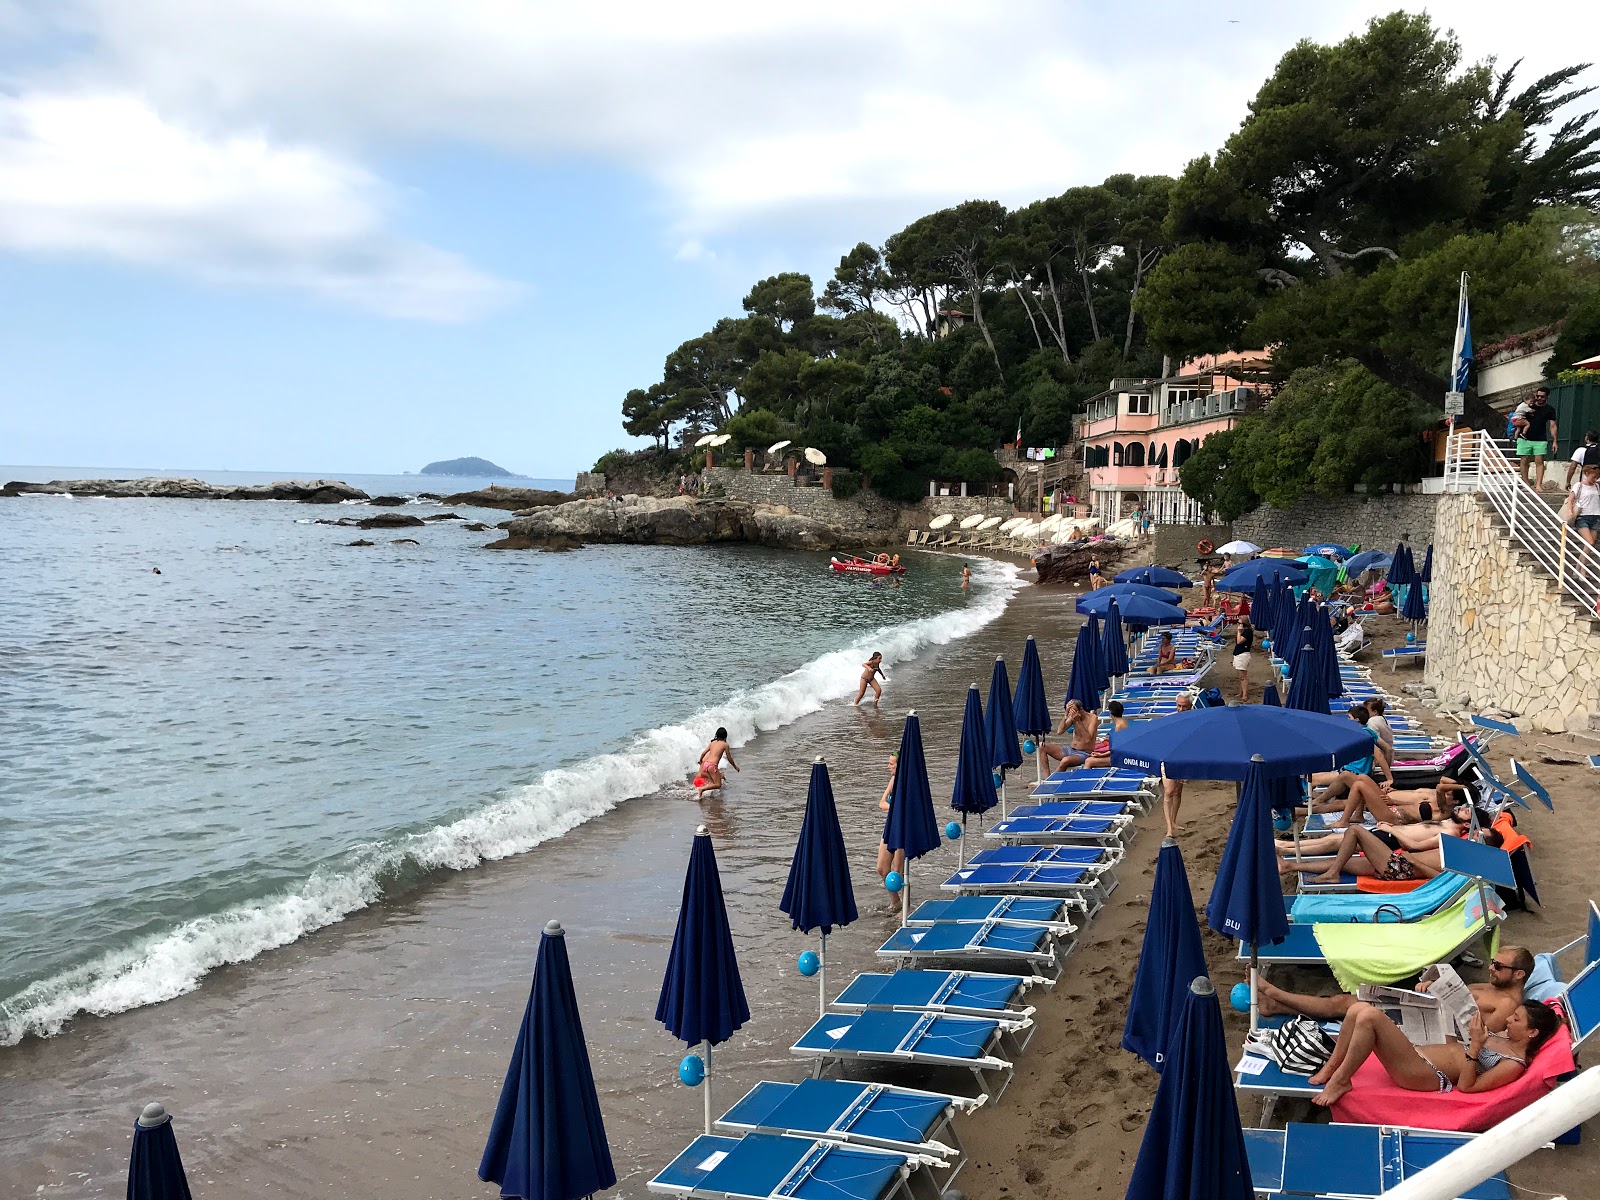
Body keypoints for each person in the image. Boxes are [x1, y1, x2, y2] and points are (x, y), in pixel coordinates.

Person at [1308, 999, 1560, 1107]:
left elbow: (1469, 1087)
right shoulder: (1504, 1036)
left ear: (1532, 1033)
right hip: (1419, 1054)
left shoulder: (1513, 1065)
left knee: (1370, 1018)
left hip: (1424, 1074)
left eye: (1516, 1019)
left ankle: (1341, 1081)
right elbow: (1457, 1044)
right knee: (1358, 1008)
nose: (1508, 1020)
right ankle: (1333, 1066)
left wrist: (1474, 1048)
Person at [1257, 946, 1534, 1032]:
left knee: (1343, 1005)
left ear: (1519, 974)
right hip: (1424, 1009)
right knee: (1348, 1000)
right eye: (1493, 963)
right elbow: (1457, 992)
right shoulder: (1492, 985)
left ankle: (1275, 994)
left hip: (1429, 1029)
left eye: (1498, 966)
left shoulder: (1508, 1005)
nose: (1491, 968)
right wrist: (1432, 986)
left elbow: (1477, 1036)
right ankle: (1276, 1005)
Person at [1308, 704, 1392, 799]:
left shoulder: (1361, 735)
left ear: (1356, 720)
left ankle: (1303, 803)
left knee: (1313, 778)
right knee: (1314, 776)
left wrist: (1389, 779)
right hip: (1352, 770)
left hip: (1353, 772)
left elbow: (1379, 755)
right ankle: (1308, 801)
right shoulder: (1369, 732)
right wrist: (1385, 771)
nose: (1347, 720)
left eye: (1349, 717)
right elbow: (1388, 749)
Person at [1159, 695, 1194, 835]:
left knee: (1178, 791)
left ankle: (1173, 821)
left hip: (1183, 759)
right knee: (1168, 791)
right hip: (1168, 758)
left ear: (1190, 706)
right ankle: (1169, 828)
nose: (1181, 709)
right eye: (1179, 706)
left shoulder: (1194, 720)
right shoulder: (1170, 719)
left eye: (1184, 706)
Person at [1517, 387, 1558, 490]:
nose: (1539, 398)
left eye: (1542, 396)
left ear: (1547, 397)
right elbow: (1518, 415)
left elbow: (1553, 425)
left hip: (1540, 438)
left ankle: (1538, 484)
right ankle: (1526, 483)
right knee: (1524, 460)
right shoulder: (1528, 405)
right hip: (1525, 437)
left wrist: (1555, 441)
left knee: (1539, 460)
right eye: (1537, 396)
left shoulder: (1550, 409)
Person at [1044, 699, 1100, 770]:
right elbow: (1059, 731)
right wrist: (1065, 715)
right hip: (1071, 750)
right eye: (1070, 712)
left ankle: (1052, 780)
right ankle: (1047, 777)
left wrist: (1078, 721)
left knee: (1065, 760)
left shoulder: (1093, 718)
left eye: (1073, 711)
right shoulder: (1072, 717)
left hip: (1084, 753)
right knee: (1042, 746)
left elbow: (1088, 739)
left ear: (1081, 709)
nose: (1072, 714)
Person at [876, 753, 905, 882]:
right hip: (890, 825)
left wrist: (892, 808)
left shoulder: (906, 784)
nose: (888, 766)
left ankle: (906, 901)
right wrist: (895, 808)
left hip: (902, 827)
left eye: (891, 764)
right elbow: (881, 803)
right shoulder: (893, 780)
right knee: (882, 869)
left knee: (899, 872)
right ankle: (896, 901)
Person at [694, 727, 739, 796]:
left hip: (706, 764)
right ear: (725, 736)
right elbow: (729, 758)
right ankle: (702, 789)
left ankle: (708, 791)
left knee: (713, 781)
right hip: (712, 765)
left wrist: (700, 760)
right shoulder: (725, 745)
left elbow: (703, 753)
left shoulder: (712, 743)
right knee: (718, 785)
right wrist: (735, 767)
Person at [1569, 461, 1600, 548]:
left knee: (1591, 545)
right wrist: (1570, 511)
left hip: (1596, 515)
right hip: (1582, 516)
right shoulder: (1578, 485)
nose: (1595, 479)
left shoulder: (1597, 486)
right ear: (1587, 474)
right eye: (1593, 477)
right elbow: (1571, 499)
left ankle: (1580, 562)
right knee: (1589, 542)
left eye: (1597, 477)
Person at [1364, 697, 1395, 761]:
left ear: (1375, 712)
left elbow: (1374, 745)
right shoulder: (1383, 719)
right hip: (1386, 756)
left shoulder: (1372, 721)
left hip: (1380, 758)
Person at [1232, 617, 1254, 703]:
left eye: (1239, 623)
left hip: (1243, 655)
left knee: (1243, 676)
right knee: (1240, 676)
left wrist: (1239, 631)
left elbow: (1239, 641)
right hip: (1239, 654)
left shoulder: (1247, 632)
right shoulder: (1245, 632)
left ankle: (1245, 694)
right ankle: (1241, 692)